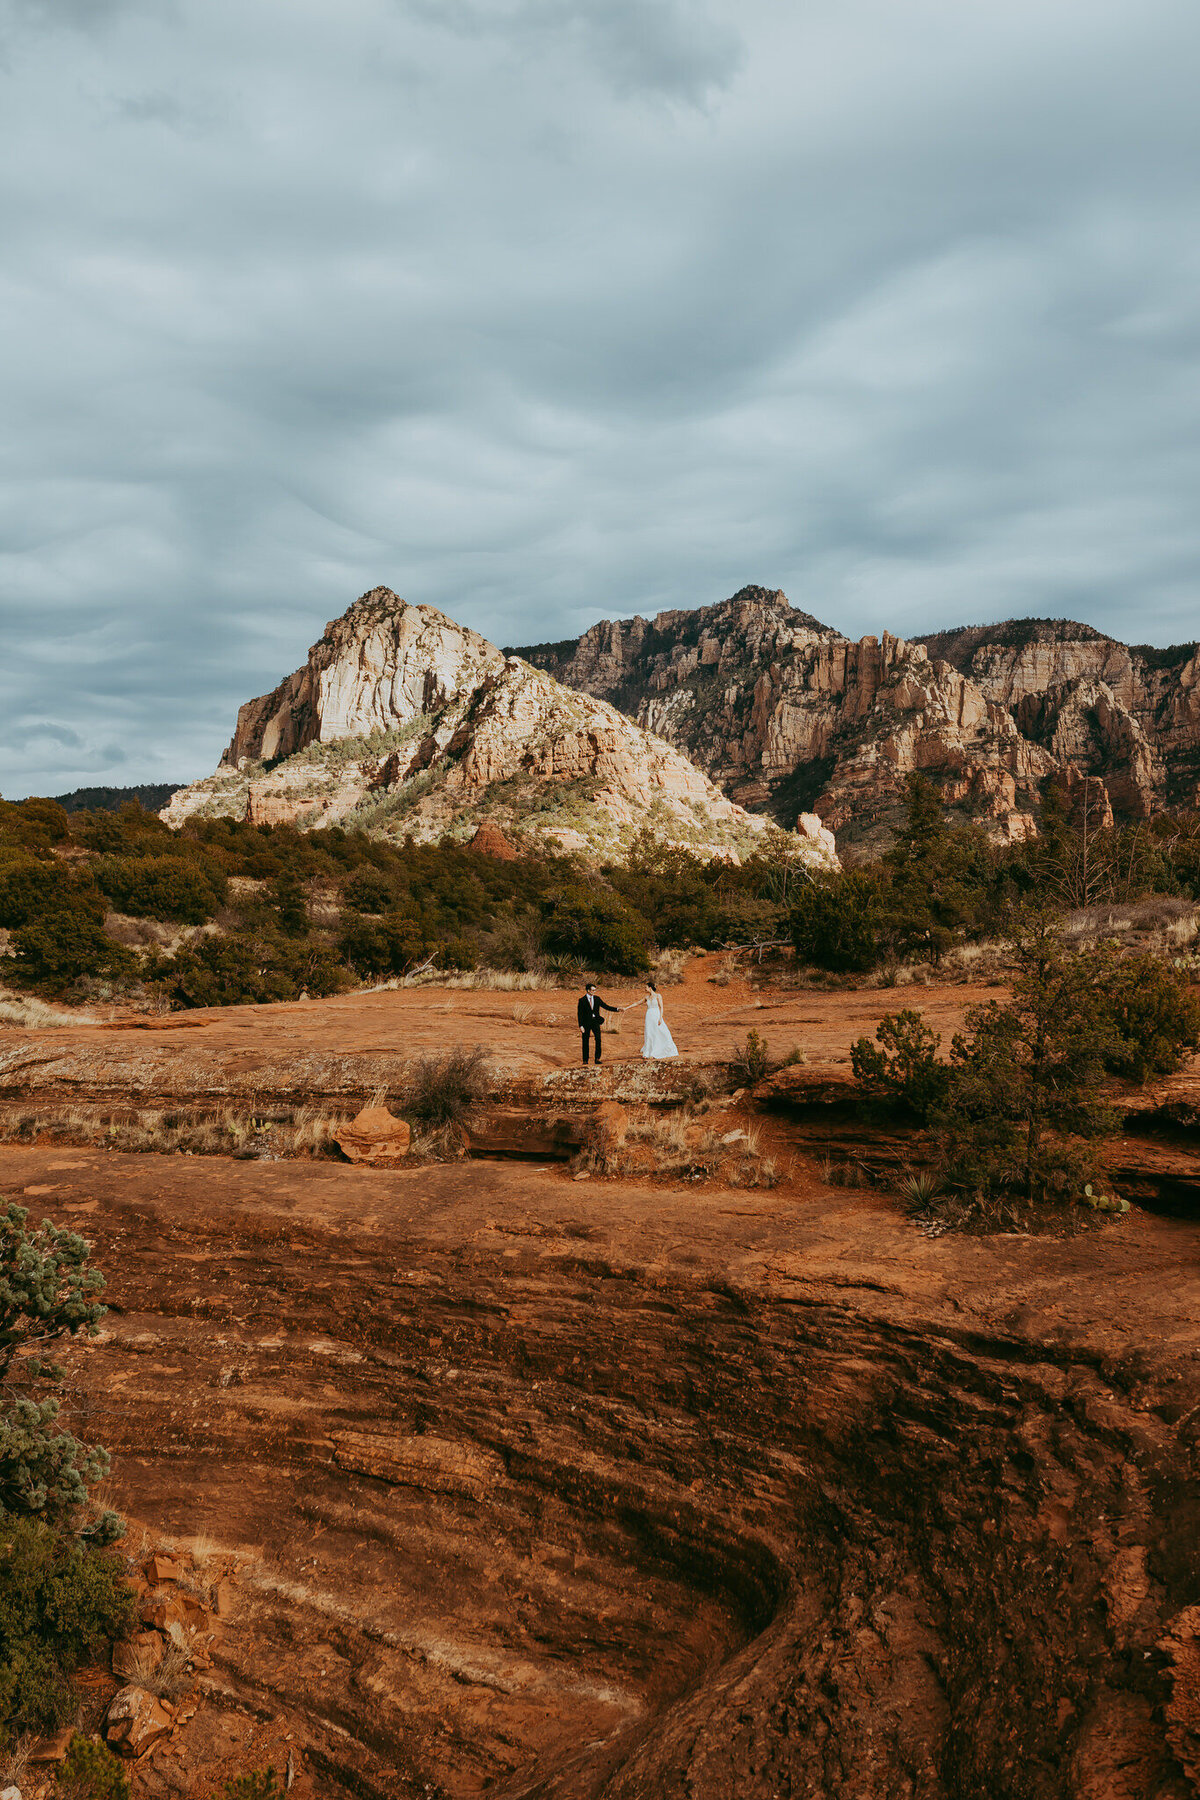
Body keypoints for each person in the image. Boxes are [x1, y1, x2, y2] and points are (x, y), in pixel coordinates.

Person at [578, 981, 621, 1066]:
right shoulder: (582, 1000)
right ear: (588, 990)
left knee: (598, 1039)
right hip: (586, 1023)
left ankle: (597, 1058)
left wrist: (617, 1009)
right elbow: (580, 1014)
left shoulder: (597, 998)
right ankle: (585, 1060)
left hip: (595, 1022)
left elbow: (606, 1006)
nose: (594, 992)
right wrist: (581, 1025)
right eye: (593, 990)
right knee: (585, 1041)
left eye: (595, 990)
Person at [637, 978, 678, 1059]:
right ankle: (647, 1053)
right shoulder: (647, 997)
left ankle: (660, 1050)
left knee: (662, 1031)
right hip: (649, 1016)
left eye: (646, 987)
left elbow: (661, 1007)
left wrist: (660, 1018)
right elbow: (637, 1003)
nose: (645, 989)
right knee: (649, 1033)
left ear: (650, 988)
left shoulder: (658, 996)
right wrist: (626, 1008)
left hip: (656, 1015)